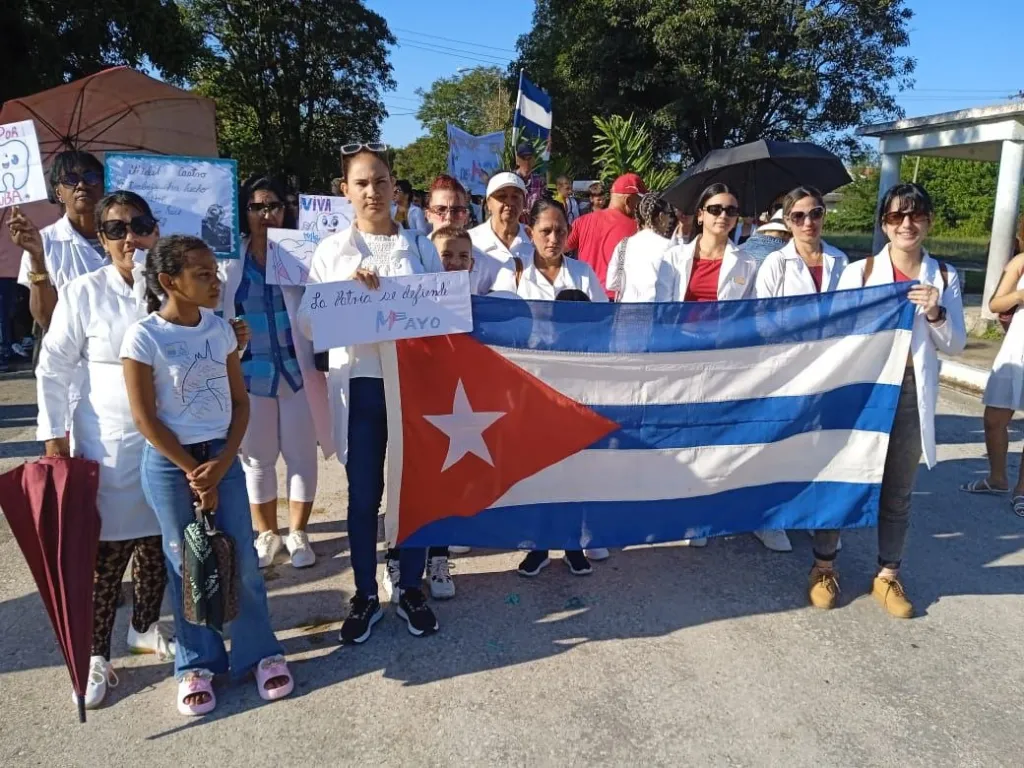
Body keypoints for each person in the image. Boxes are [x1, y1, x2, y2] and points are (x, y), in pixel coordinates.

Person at [122, 235, 293, 716]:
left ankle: (259, 652)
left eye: (213, 272)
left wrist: (221, 464)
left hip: (221, 457)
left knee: (241, 556)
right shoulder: (144, 337)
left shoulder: (220, 331)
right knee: (186, 563)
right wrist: (191, 470)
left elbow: (239, 404)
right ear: (167, 282)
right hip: (169, 462)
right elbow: (145, 417)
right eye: (201, 274)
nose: (214, 281)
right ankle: (197, 662)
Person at [296, 144, 441, 643]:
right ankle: (363, 593)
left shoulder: (421, 247)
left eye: (381, 181)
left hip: (413, 386)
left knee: (412, 493)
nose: (372, 191)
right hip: (361, 385)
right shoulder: (331, 252)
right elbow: (309, 323)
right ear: (345, 192)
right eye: (361, 183)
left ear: (395, 187)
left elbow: (442, 316)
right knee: (364, 496)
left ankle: (412, 588)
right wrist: (347, 291)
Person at [36, 191, 175, 710]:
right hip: (107, 441)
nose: (130, 238)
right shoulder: (82, 292)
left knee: (157, 544)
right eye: (116, 230)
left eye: (139, 226)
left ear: (154, 229)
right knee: (106, 555)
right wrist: (54, 438)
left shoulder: (167, 286)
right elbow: (53, 367)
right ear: (101, 239)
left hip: (165, 438)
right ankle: (94, 654)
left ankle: (144, 627)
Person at [810, 183, 965, 618]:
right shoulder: (859, 272)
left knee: (898, 489)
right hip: (862, 389)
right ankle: (824, 565)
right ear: (884, 225)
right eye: (897, 217)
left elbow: (954, 346)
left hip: (911, 390)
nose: (907, 225)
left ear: (928, 222)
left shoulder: (945, 276)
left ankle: (888, 574)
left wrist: (936, 312)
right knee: (843, 476)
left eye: (915, 216)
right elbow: (834, 330)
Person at [218, 175, 333, 570]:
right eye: (257, 207)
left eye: (274, 206)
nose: (266, 214)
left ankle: (298, 533)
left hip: (297, 370)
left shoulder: (305, 253)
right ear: (245, 212)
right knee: (258, 458)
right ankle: (267, 534)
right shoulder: (228, 258)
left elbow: (327, 293)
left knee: (301, 456)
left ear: (286, 211)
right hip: (250, 373)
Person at [657, 184, 758, 547]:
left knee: (708, 436)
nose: (722, 217)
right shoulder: (673, 258)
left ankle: (698, 515)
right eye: (715, 209)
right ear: (700, 214)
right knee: (676, 433)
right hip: (678, 358)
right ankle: (671, 501)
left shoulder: (747, 263)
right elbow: (658, 310)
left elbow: (751, 316)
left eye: (730, 210)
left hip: (719, 361)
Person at [513, 198, 608, 575]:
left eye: (560, 231)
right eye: (545, 231)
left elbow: (605, 325)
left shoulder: (584, 274)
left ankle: (573, 544)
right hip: (534, 388)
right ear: (530, 232)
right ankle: (537, 545)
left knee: (575, 468)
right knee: (538, 469)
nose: (553, 238)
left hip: (578, 387)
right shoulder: (517, 277)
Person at [753, 186, 850, 553]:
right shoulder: (775, 264)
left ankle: (813, 516)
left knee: (821, 445)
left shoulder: (843, 262)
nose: (808, 222)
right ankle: (771, 519)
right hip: (788, 369)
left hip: (832, 368)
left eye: (816, 213)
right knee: (782, 444)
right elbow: (762, 321)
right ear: (787, 221)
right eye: (799, 216)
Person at [8, 150, 106, 330]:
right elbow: (46, 319)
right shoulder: (43, 242)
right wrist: (37, 258)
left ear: (103, 185)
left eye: (90, 176)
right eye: (70, 179)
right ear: (58, 193)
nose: (81, 184)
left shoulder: (128, 235)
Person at [960, 247, 1024, 514]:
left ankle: (1022, 490)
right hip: (1016, 348)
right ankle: (997, 478)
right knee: (993, 419)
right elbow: (995, 304)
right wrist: (1020, 295)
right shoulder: (1021, 262)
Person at [426, 175, 516, 297]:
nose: (448, 217)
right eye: (440, 209)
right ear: (428, 215)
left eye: (457, 210)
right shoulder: (415, 256)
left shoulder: (480, 261)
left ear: (465, 217)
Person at [566, 173, 646, 298]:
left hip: (585, 296)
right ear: (628, 200)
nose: (640, 207)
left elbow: (560, 249)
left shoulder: (581, 222)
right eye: (639, 201)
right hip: (614, 299)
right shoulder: (636, 229)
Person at [606, 193, 677, 302]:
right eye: (669, 214)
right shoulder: (670, 247)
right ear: (661, 216)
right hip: (657, 311)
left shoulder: (624, 244)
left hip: (626, 311)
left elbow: (611, 283)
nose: (670, 220)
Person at [469, 173, 533, 264]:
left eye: (515, 197)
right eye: (501, 196)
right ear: (488, 203)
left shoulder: (535, 240)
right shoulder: (471, 242)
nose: (509, 202)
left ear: (524, 202)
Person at [514, 143, 546, 211]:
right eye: (523, 158)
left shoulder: (540, 181)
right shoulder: (510, 179)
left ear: (533, 160)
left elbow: (544, 206)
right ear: (517, 160)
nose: (526, 162)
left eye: (529, 158)